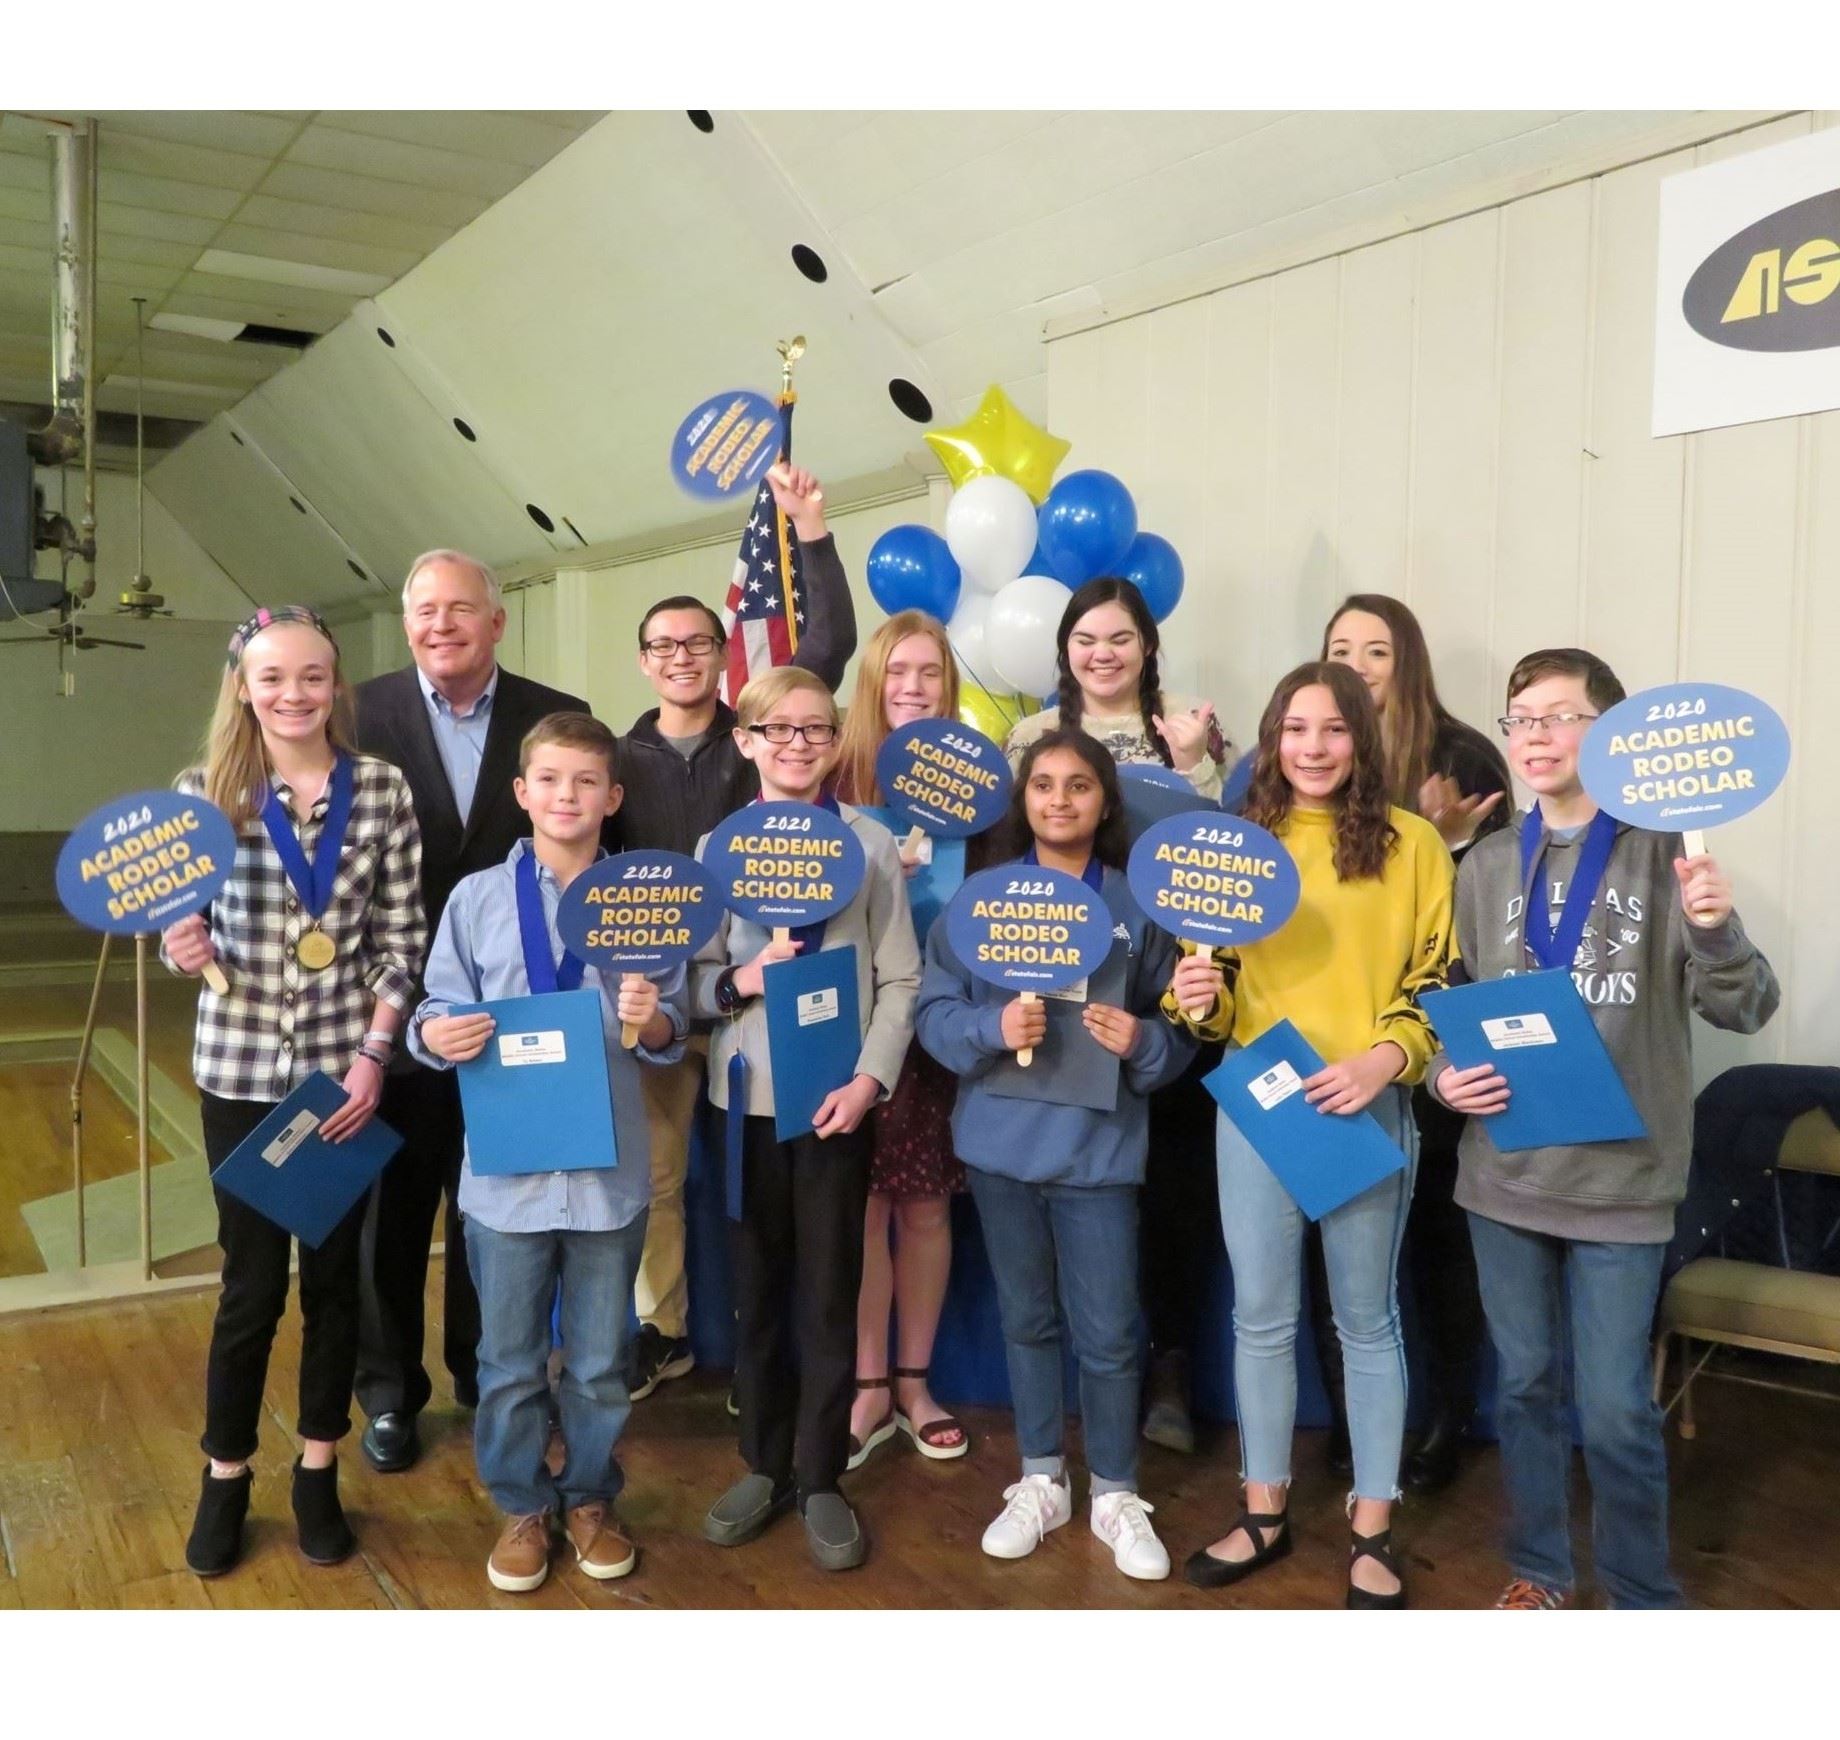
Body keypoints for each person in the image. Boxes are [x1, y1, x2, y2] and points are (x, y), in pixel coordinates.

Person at [1429, 648, 1779, 1610]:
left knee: (1619, 1408)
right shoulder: (1488, 863)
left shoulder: (1669, 854)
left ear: (1612, 734)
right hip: (1502, 1177)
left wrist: (1716, 928)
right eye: (1520, 718)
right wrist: (1440, 1075)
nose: (1536, 735)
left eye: (1561, 715)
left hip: (1622, 1184)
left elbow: (1746, 1010)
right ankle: (1540, 1571)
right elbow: (1452, 1009)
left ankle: (1638, 1593)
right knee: (1527, 1390)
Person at [1165, 660, 1452, 1609]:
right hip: (1260, 1107)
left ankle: (1373, 1527)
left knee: (1367, 1320)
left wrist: (1386, 1062)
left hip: (1365, 1103)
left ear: (1361, 740)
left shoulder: (1414, 847)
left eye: (1333, 730)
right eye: (1295, 729)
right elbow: (1209, 995)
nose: (1314, 748)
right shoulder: (1242, 840)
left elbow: (1437, 985)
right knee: (1260, 1317)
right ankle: (1263, 1512)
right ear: (1271, 738)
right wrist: (1196, 1000)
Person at [163, 607, 424, 1578]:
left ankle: (318, 1469)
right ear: (243, 686)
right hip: (236, 1072)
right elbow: (178, 928)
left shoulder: (383, 792)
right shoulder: (203, 793)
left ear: (335, 684)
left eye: (312, 676)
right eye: (273, 678)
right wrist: (178, 945)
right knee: (250, 1287)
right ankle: (225, 1474)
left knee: (331, 1283)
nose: (294, 694)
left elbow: (403, 939)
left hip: (340, 1079)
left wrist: (371, 1056)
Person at [409, 713, 689, 1593]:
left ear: (612, 797)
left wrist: (653, 1022)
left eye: (586, 782)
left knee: (604, 1361)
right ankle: (522, 1504)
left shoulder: (647, 902)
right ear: (524, 793)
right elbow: (432, 1011)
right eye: (550, 780)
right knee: (508, 1361)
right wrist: (438, 1033)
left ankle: (591, 1497)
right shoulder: (477, 901)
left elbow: (674, 1034)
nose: (567, 796)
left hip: (609, 1179)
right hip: (506, 1179)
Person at [915, 729, 1192, 1580]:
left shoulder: (1139, 907)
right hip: (1001, 1145)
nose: (1060, 800)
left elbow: (1182, 1035)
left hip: (1099, 1151)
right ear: (1022, 799)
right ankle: (1042, 1479)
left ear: (1105, 802)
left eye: (1079, 786)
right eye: (1043, 785)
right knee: (1026, 1320)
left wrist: (1143, 1039)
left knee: (1108, 1332)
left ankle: (1113, 1489)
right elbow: (933, 1013)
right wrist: (987, 1030)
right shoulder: (983, 899)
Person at [616, 462, 856, 1403]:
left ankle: (765, 1359)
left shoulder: (757, 738)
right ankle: (666, 1330)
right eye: (662, 646)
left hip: (774, 995)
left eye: (697, 643)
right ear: (644, 660)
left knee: (771, 1191)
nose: (681, 657)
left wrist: (814, 534)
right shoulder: (618, 758)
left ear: (725, 654)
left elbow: (828, 645)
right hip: (678, 1001)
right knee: (665, 1179)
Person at [351, 548, 591, 1475]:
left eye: (461, 608)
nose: (441, 623)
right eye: (424, 609)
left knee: (495, 1215)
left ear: (497, 621)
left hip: (518, 1023)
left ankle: (484, 1377)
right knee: (393, 1214)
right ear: (405, 621)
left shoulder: (551, 716)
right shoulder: (360, 715)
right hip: (393, 1004)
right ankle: (387, 1393)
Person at [690, 666, 919, 1571]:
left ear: (835, 744)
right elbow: (691, 982)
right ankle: (763, 1465)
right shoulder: (715, 845)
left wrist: (870, 1081)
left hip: (836, 1104)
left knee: (829, 1293)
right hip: (742, 1102)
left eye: (815, 731)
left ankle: (822, 1475)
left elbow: (900, 978)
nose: (796, 745)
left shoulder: (868, 845)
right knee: (758, 1296)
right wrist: (742, 979)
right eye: (776, 730)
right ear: (743, 739)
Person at [1006, 575, 1232, 1454]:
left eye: (1120, 639)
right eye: (1086, 639)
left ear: (1148, 646)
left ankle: (1168, 1369)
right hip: (1063, 977)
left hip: (1169, 973)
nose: (1103, 654)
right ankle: (1092, 1379)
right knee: (1079, 1184)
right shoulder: (1030, 734)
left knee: (1169, 1182)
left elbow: (1226, 848)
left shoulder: (1190, 721)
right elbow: (1008, 846)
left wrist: (1194, 764)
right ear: (1065, 648)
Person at [1316, 593, 1512, 1490]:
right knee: (1338, 1239)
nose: (1357, 664)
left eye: (1376, 651)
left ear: (1408, 664)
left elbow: (1498, 914)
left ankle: (1441, 1419)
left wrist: (1448, 842)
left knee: (1432, 1243)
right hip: (1331, 1047)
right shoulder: (1309, 753)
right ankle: (1352, 1430)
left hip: (1432, 1044)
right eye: (1340, 648)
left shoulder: (1463, 756)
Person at [831, 610, 972, 1468]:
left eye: (929, 672)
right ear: (873, 685)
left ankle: (916, 1383)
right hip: (860, 1019)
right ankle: (869, 1387)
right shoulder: (838, 778)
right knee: (865, 1205)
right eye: (898, 672)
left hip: (946, 1019)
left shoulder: (978, 785)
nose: (913, 687)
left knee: (924, 1204)